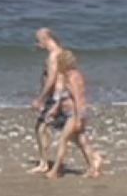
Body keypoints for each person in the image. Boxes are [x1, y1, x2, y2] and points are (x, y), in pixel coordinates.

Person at [46, 49, 103, 179]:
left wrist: (79, 117)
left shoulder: (72, 77)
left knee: (63, 140)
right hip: (71, 113)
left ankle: (56, 171)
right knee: (82, 141)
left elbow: (78, 97)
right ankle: (94, 166)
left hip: (74, 114)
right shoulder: (71, 75)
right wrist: (56, 108)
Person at [29, 28, 66, 174]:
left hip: (55, 96)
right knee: (46, 128)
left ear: (46, 39)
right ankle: (44, 162)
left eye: (39, 40)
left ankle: (44, 163)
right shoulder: (61, 53)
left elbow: (51, 79)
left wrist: (40, 99)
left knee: (40, 128)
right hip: (60, 96)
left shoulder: (53, 56)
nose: (37, 44)